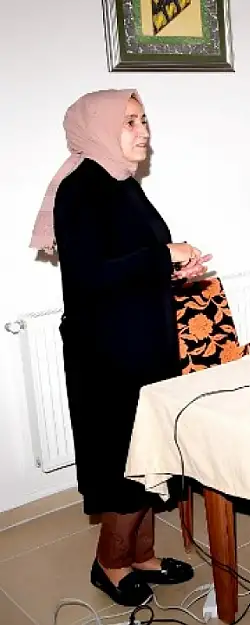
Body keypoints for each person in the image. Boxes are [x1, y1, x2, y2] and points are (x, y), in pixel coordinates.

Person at [28, 90, 198, 606]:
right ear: (99, 127)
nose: (143, 130)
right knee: (122, 462)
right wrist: (162, 255)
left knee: (149, 456)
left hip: (143, 339)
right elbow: (89, 275)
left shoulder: (123, 185)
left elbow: (135, 259)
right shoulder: (80, 188)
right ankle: (110, 562)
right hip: (107, 351)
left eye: (144, 119)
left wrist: (172, 267)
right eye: (129, 121)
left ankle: (142, 555)